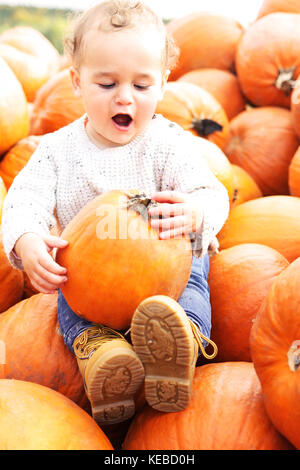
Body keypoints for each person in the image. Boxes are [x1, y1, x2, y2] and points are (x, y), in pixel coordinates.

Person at [2, 0, 229, 426]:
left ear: (163, 84)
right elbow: (22, 199)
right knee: (70, 307)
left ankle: (182, 344)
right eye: (106, 84)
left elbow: (210, 190)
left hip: (167, 266)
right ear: (76, 81)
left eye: (141, 87)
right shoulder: (55, 150)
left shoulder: (168, 142)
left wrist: (198, 212)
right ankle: (103, 356)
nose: (125, 97)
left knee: (194, 290)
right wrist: (27, 239)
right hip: (91, 271)